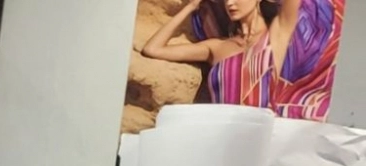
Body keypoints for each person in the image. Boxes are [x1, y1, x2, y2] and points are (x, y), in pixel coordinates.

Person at [142, 0, 342, 120]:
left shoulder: (277, 36)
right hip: (224, 133)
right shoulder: (217, 47)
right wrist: (191, 7)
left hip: (265, 132)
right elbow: (153, 49)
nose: (230, 3)